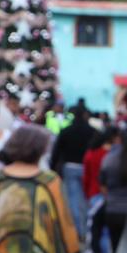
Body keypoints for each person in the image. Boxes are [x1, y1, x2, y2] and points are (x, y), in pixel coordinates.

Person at [49, 103, 94, 241]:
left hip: (70, 167)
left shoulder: (66, 131)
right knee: (87, 200)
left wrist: (53, 167)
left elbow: (56, 152)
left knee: (73, 200)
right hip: (87, 168)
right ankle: (87, 230)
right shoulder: (92, 131)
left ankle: (78, 231)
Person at [84, 126, 118, 253]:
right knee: (107, 232)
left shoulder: (90, 154)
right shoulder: (112, 155)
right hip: (108, 195)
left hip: (94, 194)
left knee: (99, 230)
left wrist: (87, 193)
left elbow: (86, 177)